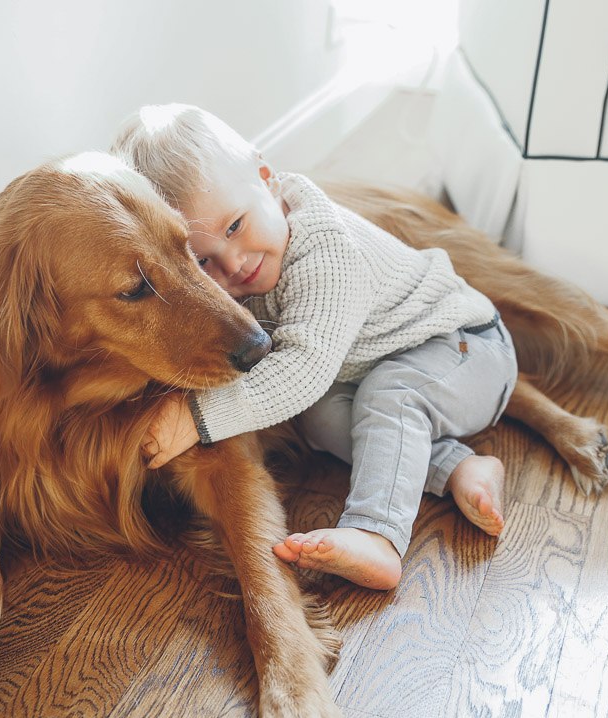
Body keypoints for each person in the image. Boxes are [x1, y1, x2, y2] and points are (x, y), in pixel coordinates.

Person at [112, 104, 518, 591]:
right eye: (202, 261)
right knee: (323, 418)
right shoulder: (251, 262)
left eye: (235, 227)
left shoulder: (323, 250)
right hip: (377, 366)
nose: (234, 263)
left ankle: (377, 535)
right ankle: (457, 465)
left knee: (390, 396)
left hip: (466, 349)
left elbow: (304, 367)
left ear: (267, 179)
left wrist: (198, 416)